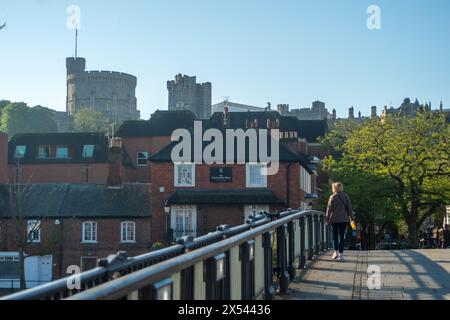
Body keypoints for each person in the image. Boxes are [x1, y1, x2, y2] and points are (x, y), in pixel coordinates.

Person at [325, 182, 354, 261]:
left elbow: (329, 209)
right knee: (341, 236)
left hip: (334, 219)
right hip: (344, 219)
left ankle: (336, 252)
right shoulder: (345, 196)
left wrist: (327, 219)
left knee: (335, 236)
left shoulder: (332, 197)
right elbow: (349, 209)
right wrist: (352, 218)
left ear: (334, 188)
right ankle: (341, 255)